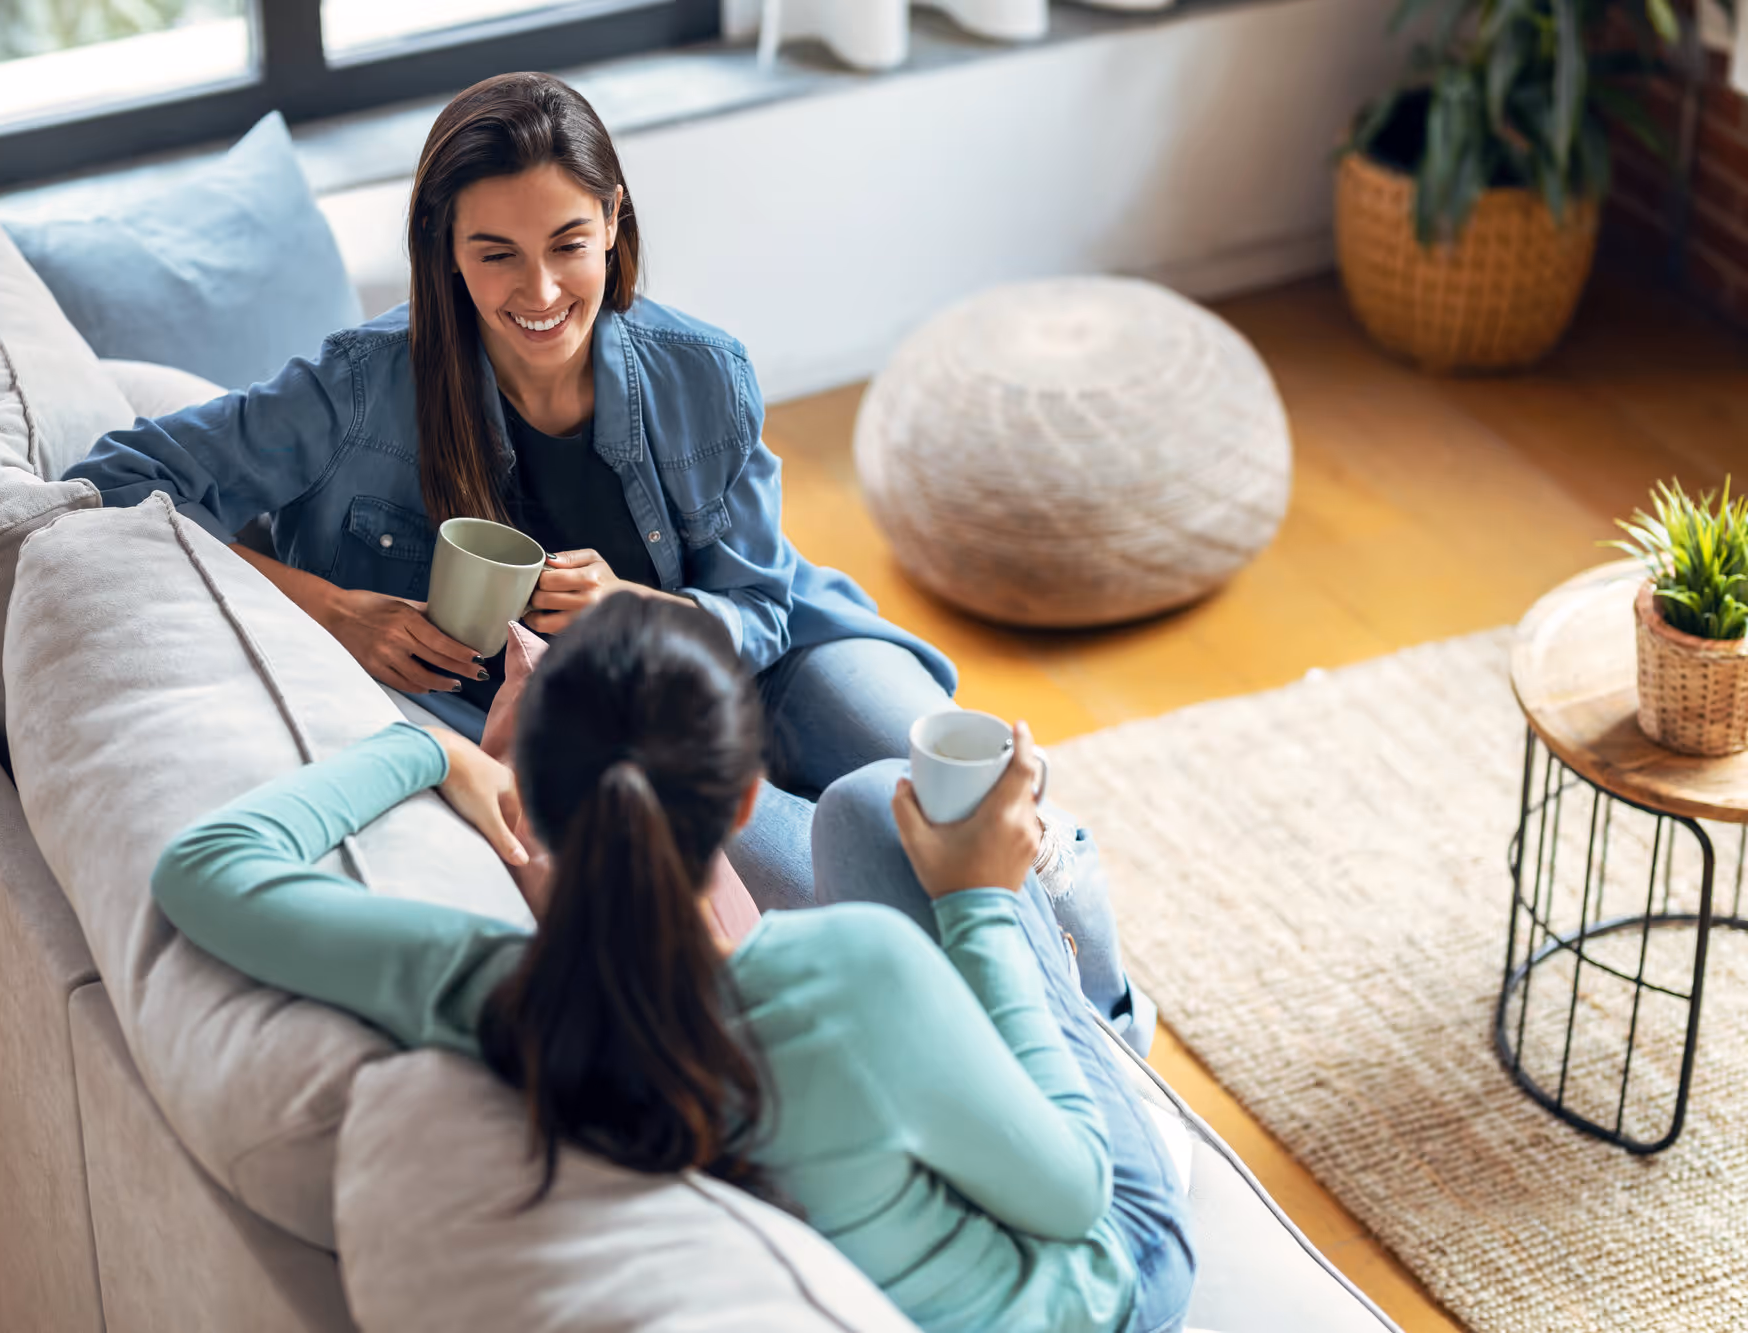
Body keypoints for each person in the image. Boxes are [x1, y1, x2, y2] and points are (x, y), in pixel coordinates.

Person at [151, 594, 1194, 1333]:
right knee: (886, 814)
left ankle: (1071, 991)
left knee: (871, 811)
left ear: (533, 806)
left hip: (898, 1200)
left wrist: (426, 747)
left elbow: (203, 867)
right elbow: (1077, 1198)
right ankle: (1104, 1021)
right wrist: (977, 901)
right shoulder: (851, 977)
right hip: (1108, 1283)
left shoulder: (486, 991)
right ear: (741, 804)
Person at [62, 70, 956, 914]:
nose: (540, 291)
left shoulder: (705, 371)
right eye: (497, 254)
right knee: (871, 881)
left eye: (568, 244)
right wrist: (335, 612)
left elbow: (761, 606)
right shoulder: (358, 388)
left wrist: (637, 610)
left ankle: (1047, 981)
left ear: (612, 219)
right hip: (618, 747)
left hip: (780, 659)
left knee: (971, 792)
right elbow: (118, 480)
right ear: (446, 247)